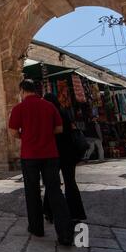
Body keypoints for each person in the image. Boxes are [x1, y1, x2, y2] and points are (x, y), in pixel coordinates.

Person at [8, 80, 74, 246]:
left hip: (29, 155)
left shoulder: (19, 108)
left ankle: (36, 228)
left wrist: (27, 136)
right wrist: (45, 133)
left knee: (32, 191)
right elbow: (59, 129)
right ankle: (65, 234)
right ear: (36, 90)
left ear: (22, 90)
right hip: (50, 155)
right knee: (55, 191)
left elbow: (13, 132)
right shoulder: (49, 106)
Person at [43, 93, 87, 223]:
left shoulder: (51, 114)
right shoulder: (65, 112)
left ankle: (49, 211)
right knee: (70, 182)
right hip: (69, 153)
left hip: (55, 154)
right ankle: (76, 213)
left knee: (52, 184)